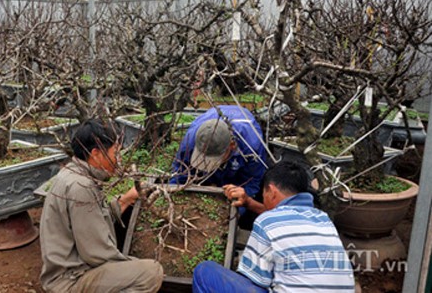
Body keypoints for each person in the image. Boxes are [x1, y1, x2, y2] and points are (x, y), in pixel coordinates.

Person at [39, 119, 164, 293]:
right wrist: (132, 263)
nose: (119, 160)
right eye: (116, 153)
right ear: (96, 153)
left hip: (69, 272)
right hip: (69, 281)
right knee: (151, 272)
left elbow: (95, 219)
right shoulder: (81, 188)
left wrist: (126, 199)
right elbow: (96, 253)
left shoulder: (74, 173)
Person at [192, 161, 355, 292]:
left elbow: (255, 282)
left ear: (271, 191)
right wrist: (249, 202)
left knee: (204, 271)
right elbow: (284, 214)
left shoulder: (268, 221)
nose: (263, 198)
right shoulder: (323, 219)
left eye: (263, 194)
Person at [170, 105, 269, 225]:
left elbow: (251, 182)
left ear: (231, 146)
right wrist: (173, 199)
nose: (206, 163)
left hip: (242, 142)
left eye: (212, 159)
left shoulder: (252, 146)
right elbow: (179, 173)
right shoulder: (192, 139)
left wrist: (235, 211)